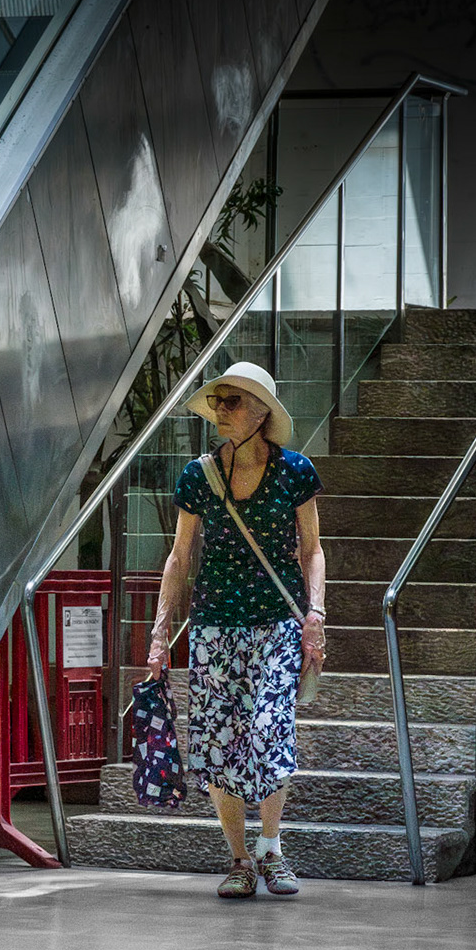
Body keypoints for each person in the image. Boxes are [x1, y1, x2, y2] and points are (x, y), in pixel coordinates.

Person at [145, 361, 327, 898]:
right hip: (214, 626)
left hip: (278, 622)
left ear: (261, 413)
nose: (221, 411)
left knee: (270, 731)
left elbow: (313, 550)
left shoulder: (295, 471)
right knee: (219, 743)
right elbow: (179, 557)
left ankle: (272, 848)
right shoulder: (198, 475)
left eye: (233, 402)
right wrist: (159, 634)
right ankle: (240, 859)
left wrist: (315, 614)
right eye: (217, 401)